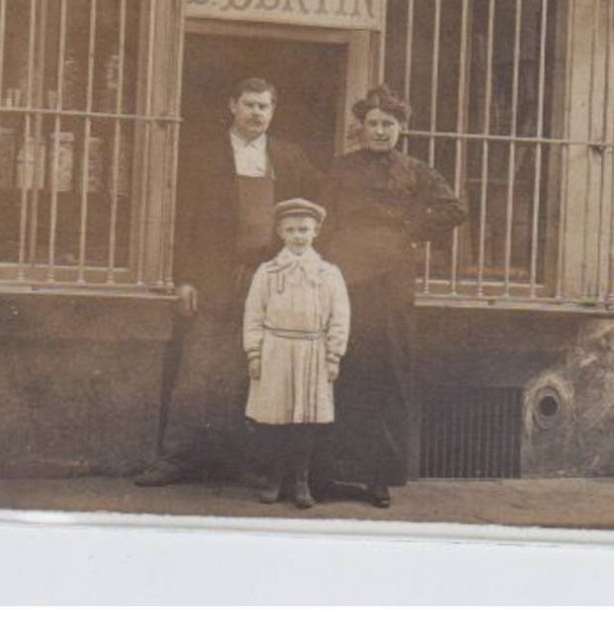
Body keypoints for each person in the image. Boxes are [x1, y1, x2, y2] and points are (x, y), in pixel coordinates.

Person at [134, 77, 325, 487]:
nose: (257, 113)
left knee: (257, 371)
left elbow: (321, 204)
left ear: (273, 113)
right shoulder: (204, 155)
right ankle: (176, 460)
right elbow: (181, 218)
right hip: (215, 275)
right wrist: (184, 277)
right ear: (232, 106)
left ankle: (246, 465)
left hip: (268, 279)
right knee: (198, 369)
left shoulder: (289, 158)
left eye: (265, 107)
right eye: (250, 105)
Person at [320, 85, 467, 508]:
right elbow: (324, 218)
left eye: (389, 124)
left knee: (387, 370)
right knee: (343, 366)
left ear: (401, 128)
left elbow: (453, 209)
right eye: (373, 124)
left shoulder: (415, 170)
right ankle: (333, 473)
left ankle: (378, 478)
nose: (380, 131)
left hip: (391, 282)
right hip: (345, 277)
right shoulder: (341, 169)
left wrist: (410, 230)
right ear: (361, 128)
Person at [242, 198, 350, 510]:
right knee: (274, 419)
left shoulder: (328, 273)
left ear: (316, 231)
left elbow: (340, 317)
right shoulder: (268, 272)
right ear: (279, 232)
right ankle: (274, 479)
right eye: (291, 230)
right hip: (275, 349)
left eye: (304, 229)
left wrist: (333, 356)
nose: (298, 236)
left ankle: (301, 481)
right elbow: (253, 314)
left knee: (305, 420)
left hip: (313, 351)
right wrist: (254, 352)